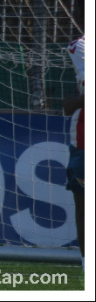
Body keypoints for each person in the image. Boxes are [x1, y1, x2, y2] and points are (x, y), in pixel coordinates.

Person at [63, 34, 84, 272]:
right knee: (84, 204)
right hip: (84, 141)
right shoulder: (82, 46)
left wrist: (75, 103)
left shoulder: (82, 45)